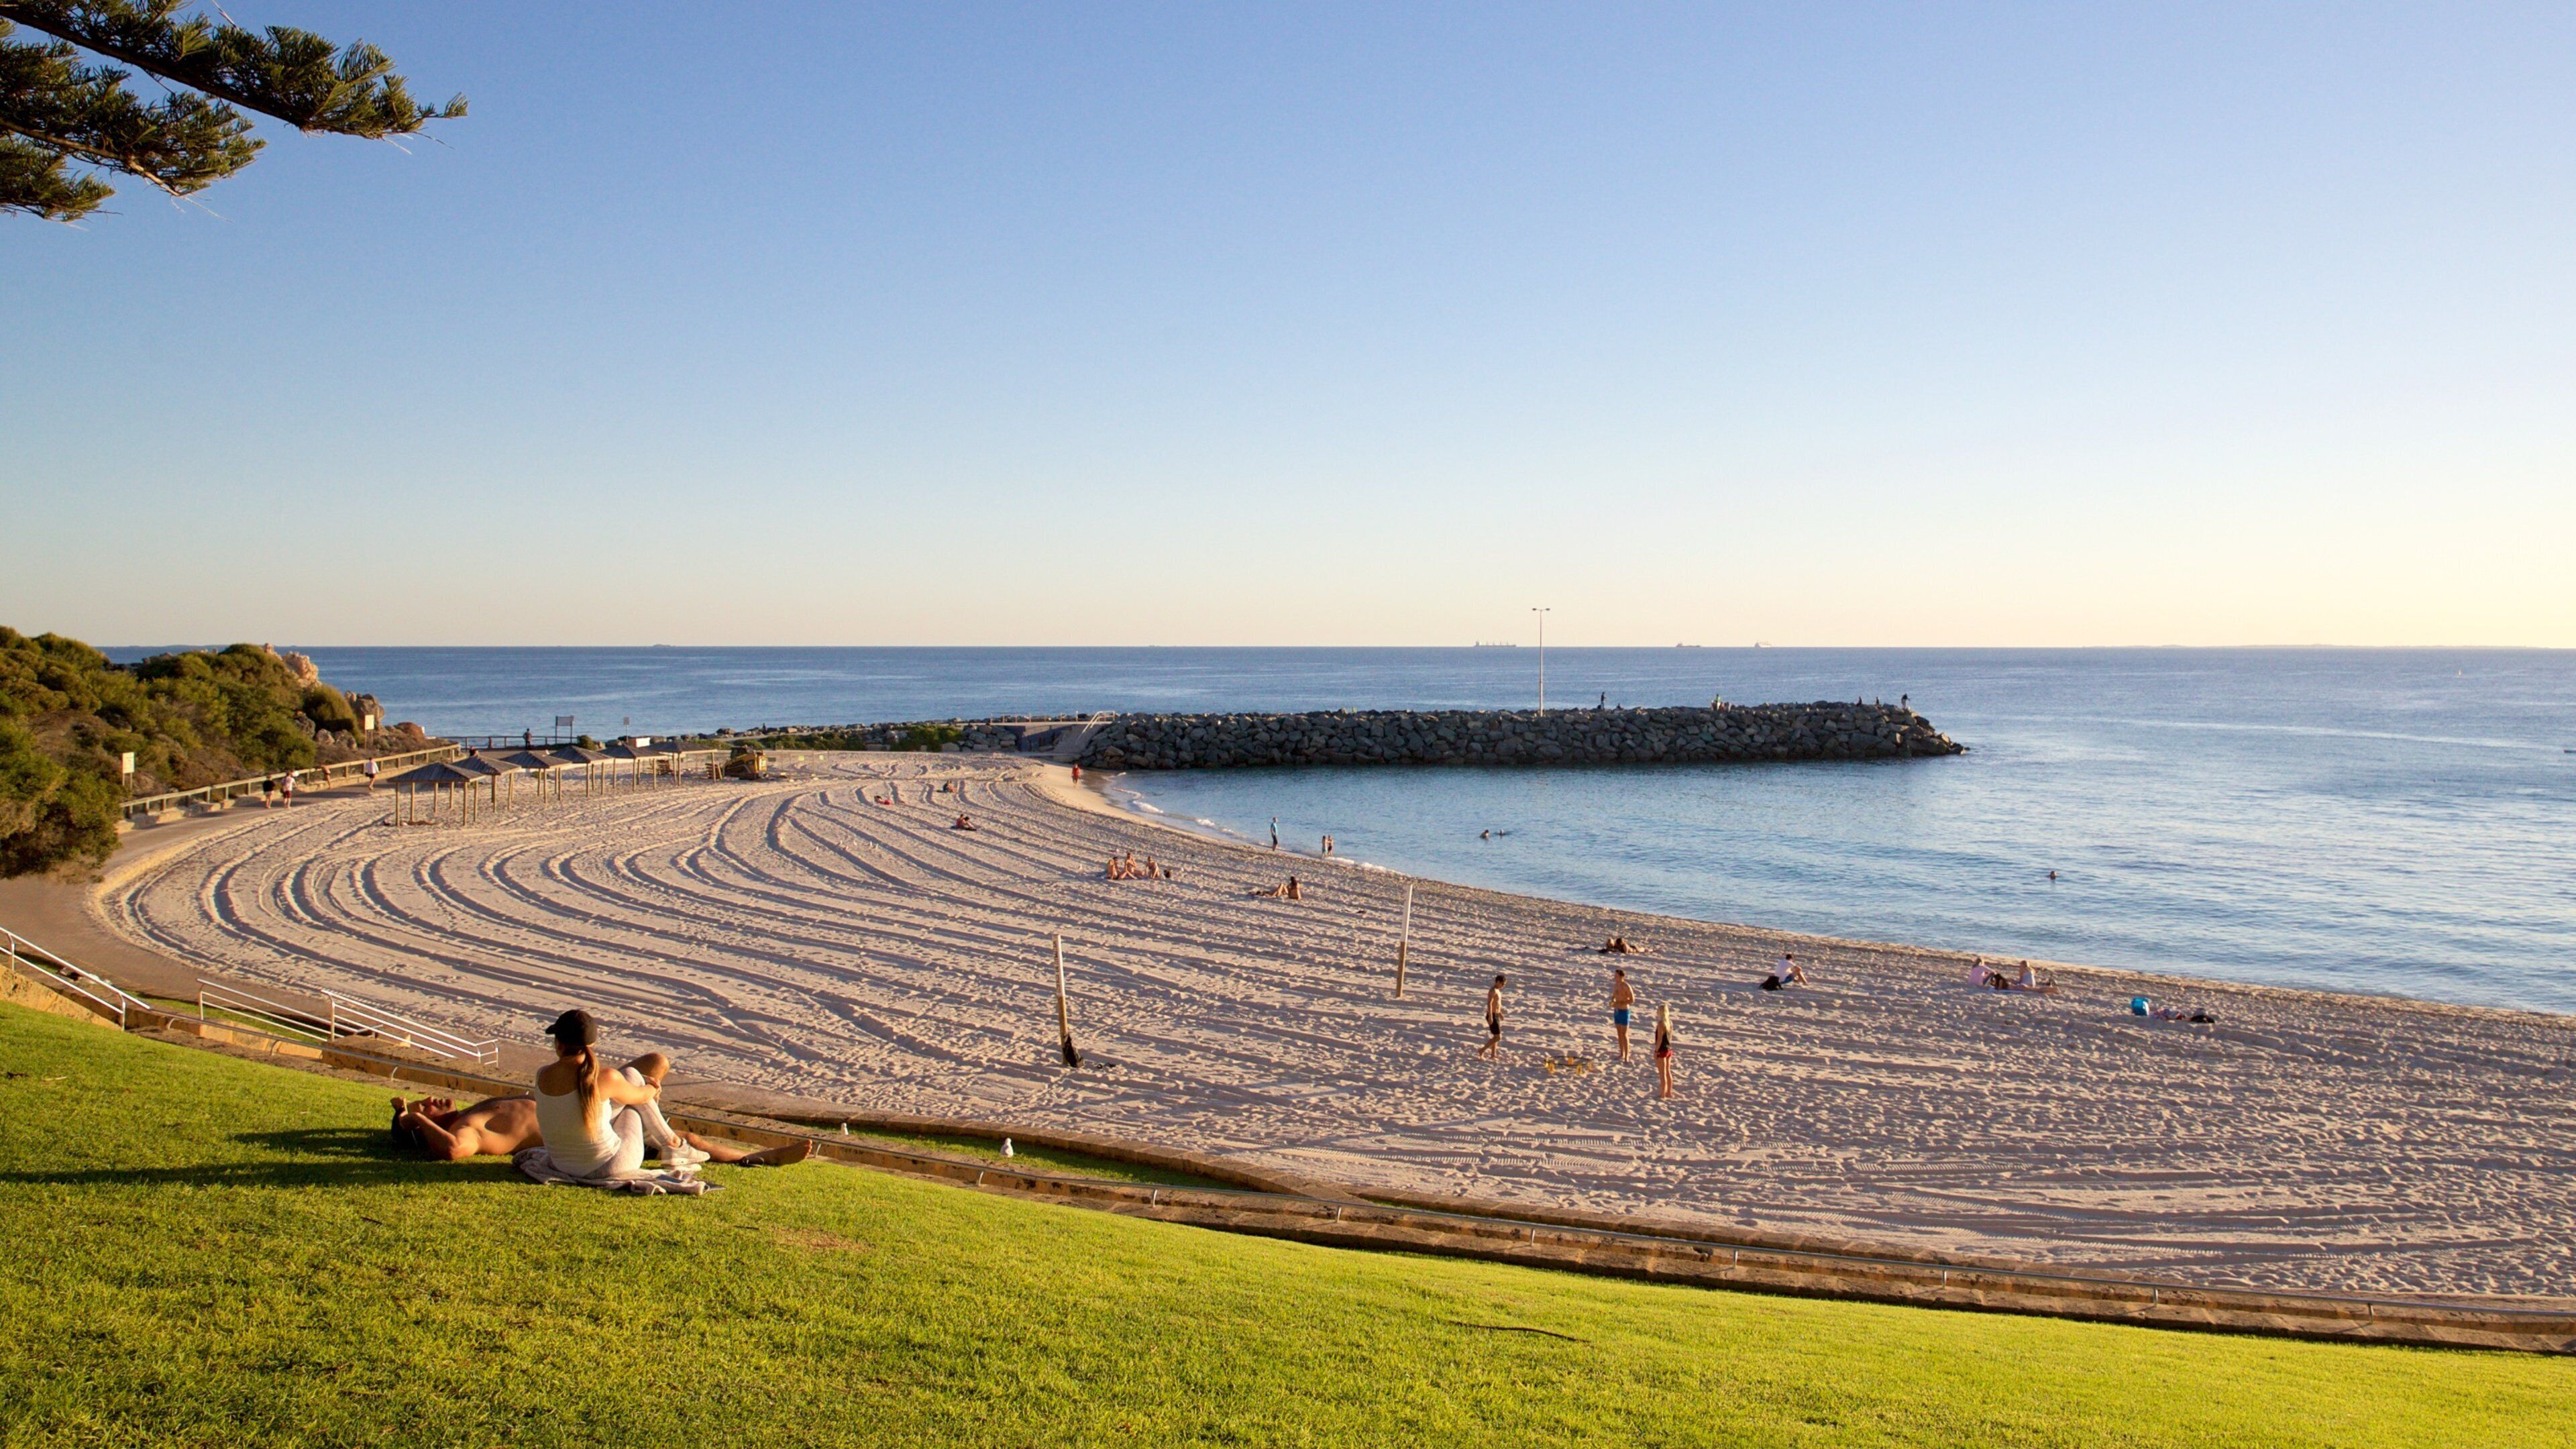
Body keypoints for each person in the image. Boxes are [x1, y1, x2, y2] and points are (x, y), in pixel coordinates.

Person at [530, 1009, 669, 1179]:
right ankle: (674, 1145)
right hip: (612, 1166)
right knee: (632, 1092)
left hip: (562, 1165)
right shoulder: (606, 1078)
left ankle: (671, 1145)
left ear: (559, 1045)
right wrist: (653, 1087)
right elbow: (641, 1097)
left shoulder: (542, 1074)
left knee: (626, 1085)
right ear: (593, 1044)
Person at [1609, 968, 1635, 1061]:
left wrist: (1621, 1003)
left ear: (1622, 977)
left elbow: (1632, 1000)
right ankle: (1622, 1053)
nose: (1615, 977)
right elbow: (1614, 996)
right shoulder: (1615, 986)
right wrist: (1613, 1001)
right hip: (1617, 1011)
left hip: (1624, 1011)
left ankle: (1627, 1055)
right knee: (1619, 1033)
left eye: (1616, 976)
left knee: (1624, 1034)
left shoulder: (1626, 986)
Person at [1480, 975, 1507, 1060]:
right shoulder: (1493, 991)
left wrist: (1500, 1014)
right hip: (1492, 1015)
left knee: (1496, 1036)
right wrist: (1491, 1016)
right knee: (1498, 1037)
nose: (1503, 986)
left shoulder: (1498, 991)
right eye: (1502, 984)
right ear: (1498, 982)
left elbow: (1497, 1004)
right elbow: (1490, 1004)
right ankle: (1482, 1050)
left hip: (1496, 1015)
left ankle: (1493, 1054)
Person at [1653, 1002, 1674, 1100]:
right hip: (1669, 1049)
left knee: (1662, 1074)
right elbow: (1670, 1037)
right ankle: (1669, 1092)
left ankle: (1663, 1094)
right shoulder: (1670, 1022)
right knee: (1668, 1072)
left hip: (1662, 1050)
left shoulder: (1661, 1024)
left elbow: (1659, 1039)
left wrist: (1656, 1051)